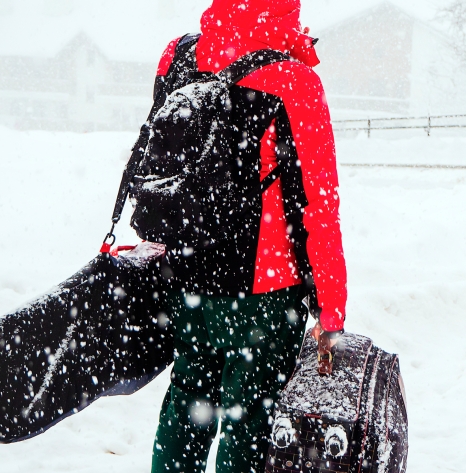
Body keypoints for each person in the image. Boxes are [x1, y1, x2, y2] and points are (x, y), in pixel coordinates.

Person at [131, 1, 347, 472]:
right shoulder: (294, 81)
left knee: (188, 401)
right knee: (248, 420)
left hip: (188, 273)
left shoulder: (180, 57)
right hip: (264, 292)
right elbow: (319, 206)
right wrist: (330, 310)